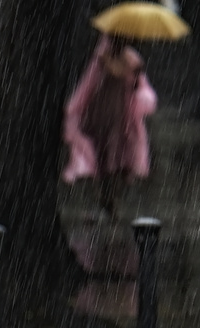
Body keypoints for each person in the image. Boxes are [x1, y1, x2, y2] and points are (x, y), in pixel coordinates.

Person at [62, 34, 159, 222]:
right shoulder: (104, 56)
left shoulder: (131, 58)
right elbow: (99, 78)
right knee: (104, 160)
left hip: (121, 118)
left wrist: (136, 74)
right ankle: (105, 199)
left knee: (119, 161)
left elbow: (136, 83)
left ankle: (110, 199)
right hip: (103, 115)